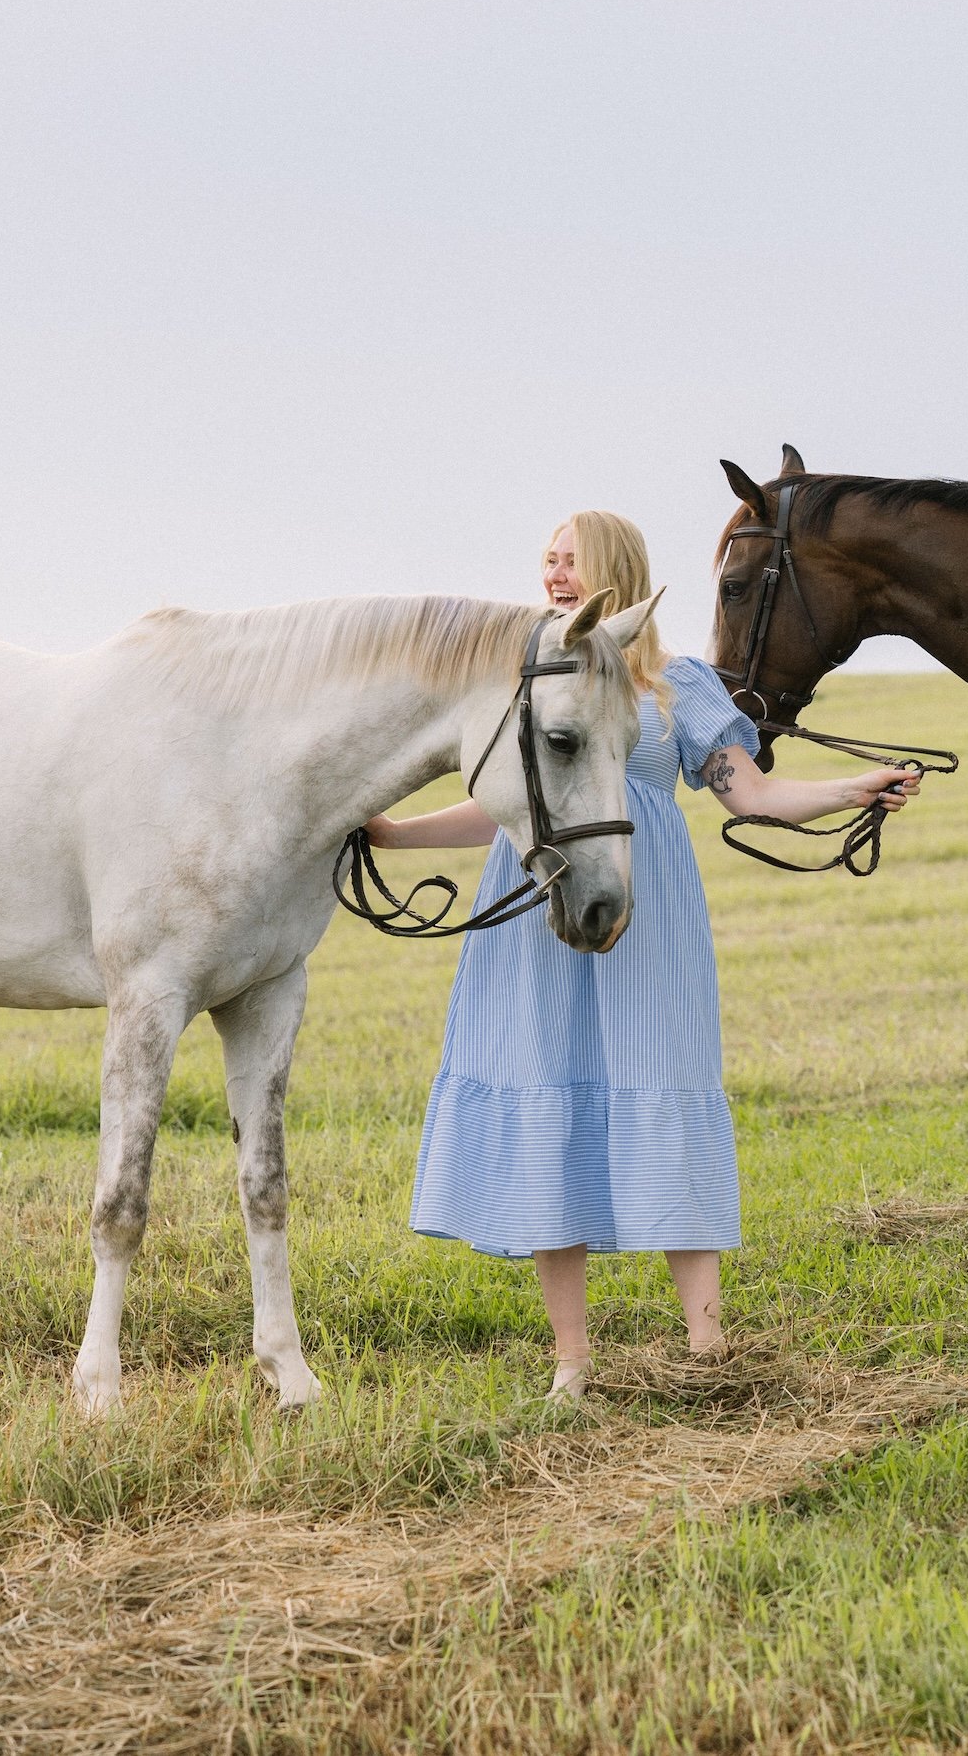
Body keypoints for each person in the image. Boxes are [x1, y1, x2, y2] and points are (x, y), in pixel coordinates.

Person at [370, 511, 919, 1397]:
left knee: (661, 1089)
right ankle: (571, 1363)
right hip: (538, 909)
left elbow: (755, 797)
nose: (552, 575)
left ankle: (708, 1352)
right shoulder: (531, 677)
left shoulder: (680, 684)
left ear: (614, 572)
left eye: (569, 561)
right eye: (546, 560)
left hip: (647, 917)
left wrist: (857, 787)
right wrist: (395, 835)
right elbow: (506, 810)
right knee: (551, 1101)